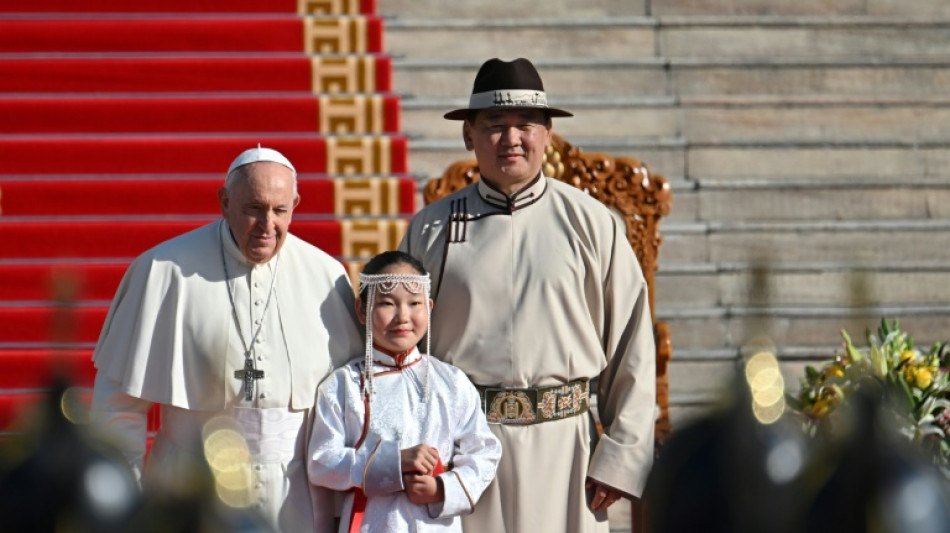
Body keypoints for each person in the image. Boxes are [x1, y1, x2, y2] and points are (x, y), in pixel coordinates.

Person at [398, 57, 657, 532]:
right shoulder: (431, 229)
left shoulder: (591, 222)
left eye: (525, 125)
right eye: (495, 125)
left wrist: (621, 455)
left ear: (548, 134)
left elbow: (632, 344)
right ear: (468, 135)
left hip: (568, 449)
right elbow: (397, 347)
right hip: (464, 448)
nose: (511, 139)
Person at [89, 146, 363, 533]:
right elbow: (117, 409)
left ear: (296, 205)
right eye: (254, 208)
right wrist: (124, 504)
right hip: (190, 489)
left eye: (280, 210)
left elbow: (353, 406)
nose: (267, 224)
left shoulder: (325, 275)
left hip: (297, 498)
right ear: (224, 201)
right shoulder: (163, 270)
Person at [308, 250, 501, 532]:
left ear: (429, 307)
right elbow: (321, 461)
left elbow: (484, 452)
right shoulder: (343, 384)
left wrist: (442, 489)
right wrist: (393, 463)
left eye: (414, 303)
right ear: (362, 310)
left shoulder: (451, 382)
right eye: (387, 303)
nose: (402, 316)